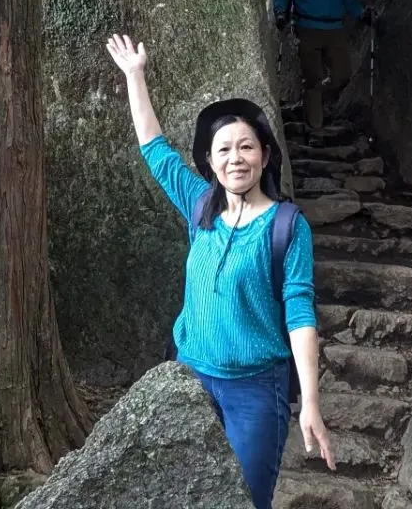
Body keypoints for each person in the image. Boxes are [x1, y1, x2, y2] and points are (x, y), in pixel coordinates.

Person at [105, 32, 335, 508]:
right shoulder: (200, 206)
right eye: (224, 150)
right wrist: (135, 76)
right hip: (189, 378)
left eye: (247, 148)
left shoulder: (287, 227)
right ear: (210, 161)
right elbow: (154, 148)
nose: (236, 158)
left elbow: (300, 314)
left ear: (265, 156)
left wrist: (310, 400)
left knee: (246, 500)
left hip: (255, 389)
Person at [271, 0, 373, 129]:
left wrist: (363, 14)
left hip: (334, 31)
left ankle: (310, 104)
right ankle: (315, 127)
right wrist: (280, 13)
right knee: (313, 78)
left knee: (342, 75)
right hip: (306, 29)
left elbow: (350, 2)